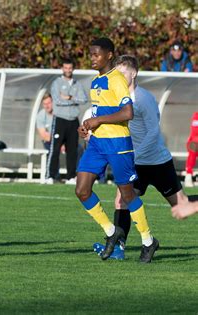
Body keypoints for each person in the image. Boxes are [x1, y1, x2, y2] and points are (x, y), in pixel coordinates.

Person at [92, 55, 198, 260]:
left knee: (181, 205)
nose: (120, 77)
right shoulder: (117, 96)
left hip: (158, 162)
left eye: (124, 73)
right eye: (117, 73)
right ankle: (118, 248)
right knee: (121, 200)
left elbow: (153, 133)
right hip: (136, 164)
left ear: (134, 73)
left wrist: (135, 155)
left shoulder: (144, 98)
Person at [76, 38, 158, 263]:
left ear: (109, 55)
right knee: (82, 190)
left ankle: (148, 241)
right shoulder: (95, 81)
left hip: (118, 144)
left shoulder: (117, 80)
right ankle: (112, 232)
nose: (92, 58)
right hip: (97, 144)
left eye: (97, 54)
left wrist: (98, 120)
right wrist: (87, 127)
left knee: (127, 195)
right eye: (90, 54)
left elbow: (127, 113)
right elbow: (98, 112)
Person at [47, 58, 88, 184]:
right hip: (60, 119)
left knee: (72, 150)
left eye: (70, 68)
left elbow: (84, 99)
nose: (68, 70)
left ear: (73, 69)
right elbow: (57, 100)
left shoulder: (78, 84)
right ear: (62, 69)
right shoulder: (56, 83)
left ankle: (71, 176)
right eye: (66, 68)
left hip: (73, 121)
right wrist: (74, 100)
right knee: (55, 148)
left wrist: (69, 97)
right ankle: (51, 176)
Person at [184, 112, 198, 187]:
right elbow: (196, 131)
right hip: (194, 143)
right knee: (193, 147)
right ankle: (188, 177)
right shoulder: (196, 115)